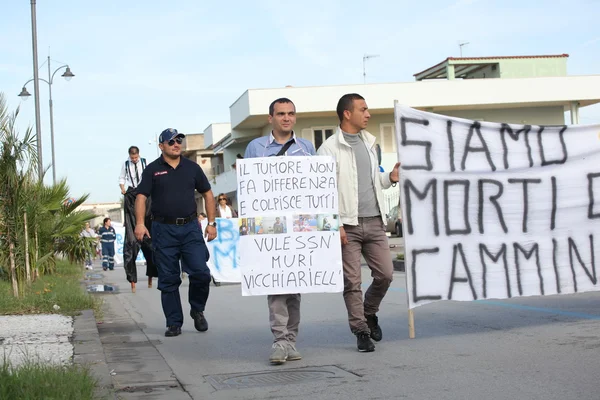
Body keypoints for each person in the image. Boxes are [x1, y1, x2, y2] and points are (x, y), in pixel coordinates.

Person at [317, 93, 400, 353]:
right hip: (347, 225)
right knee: (352, 282)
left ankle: (369, 311)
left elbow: (374, 180)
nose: (368, 114)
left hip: (375, 220)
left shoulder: (370, 144)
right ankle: (360, 330)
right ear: (347, 113)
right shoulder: (329, 149)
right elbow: (323, 191)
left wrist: (391, 179)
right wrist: (336, 224)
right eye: (363, 109)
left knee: (385, 275)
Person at [244, 97, 316, 365]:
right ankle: (279, 340)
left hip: (299, 226)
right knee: (276, 285)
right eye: (281, 113)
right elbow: (248, 188)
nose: (287, 118)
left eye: (291, 113)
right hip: (269, 228)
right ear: (270, 118)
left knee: (295, 286)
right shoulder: (256, 148)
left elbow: (315, 188)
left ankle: (290, 341)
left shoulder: (307, 148)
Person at [134, 128, 217, 338]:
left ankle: (197, 309)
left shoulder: (192, 168)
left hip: (190, 229)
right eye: (170, 142)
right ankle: (173, 323)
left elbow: (207, 193)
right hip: (163, 230)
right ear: (161, 146)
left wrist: (211, 222)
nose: (176, 144)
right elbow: (141, 196)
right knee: (169, 279)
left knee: (201, 273)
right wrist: (140, 224)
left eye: (179, 140)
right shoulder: (152, 170)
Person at [119, 146, 158, 292]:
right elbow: (122, 177)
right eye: (132, 158)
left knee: (150, 238)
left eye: (136, 158)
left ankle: (152, 274)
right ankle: (132, 280)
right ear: (130, 156)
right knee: (131, 242)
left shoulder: (145, 162)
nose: (134, 160)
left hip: (144, 192)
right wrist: (122, 187)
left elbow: (150, 175)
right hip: (131, 193)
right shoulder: (126, 164)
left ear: (138, 155)